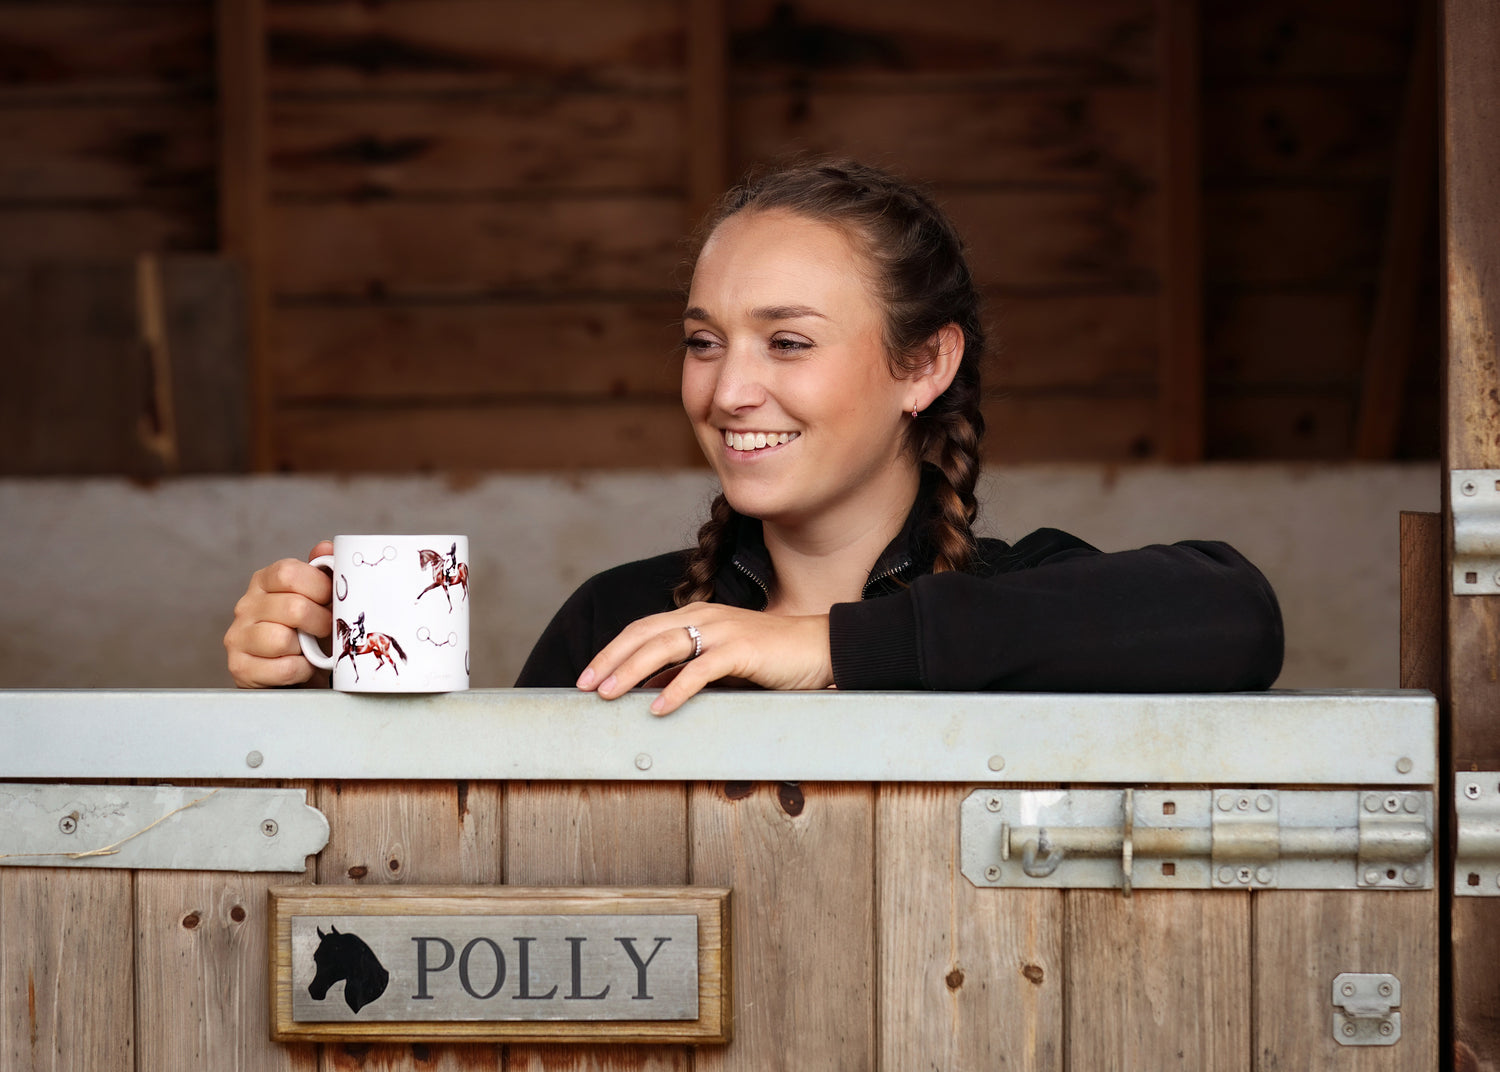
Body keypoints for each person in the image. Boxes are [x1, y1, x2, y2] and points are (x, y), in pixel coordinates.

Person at [225, 159, 1283, 713]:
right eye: (703, 340)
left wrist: (826, 647)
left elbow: (1235, 614)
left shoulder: (1027, 596)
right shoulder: (622, 620)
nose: (730, 389)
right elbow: (484, 882)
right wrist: (332, 712)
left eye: (787, 341)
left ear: (925, 364)